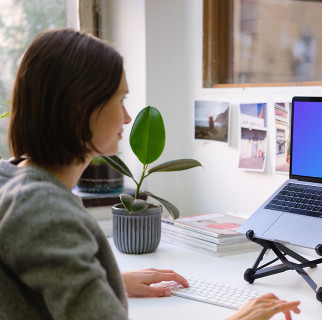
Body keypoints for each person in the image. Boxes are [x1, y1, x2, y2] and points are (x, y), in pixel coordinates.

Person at [0, 29, 300, 319]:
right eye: (121, 100)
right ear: (82, 109)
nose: (128, 117)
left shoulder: (10, 180)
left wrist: (106, 280)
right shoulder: (44, 211)